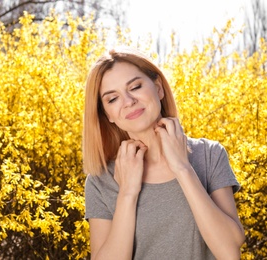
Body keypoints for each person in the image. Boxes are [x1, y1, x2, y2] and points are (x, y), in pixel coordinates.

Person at [83, 46, 245, 260]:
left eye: (135, 86)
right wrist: (127, 193)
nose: (128, 101)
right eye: (112, 99)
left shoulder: (209, 155)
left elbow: (229, 252)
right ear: (108, 115)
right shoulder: (101, 180)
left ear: (158, 88)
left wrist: (182, 167)